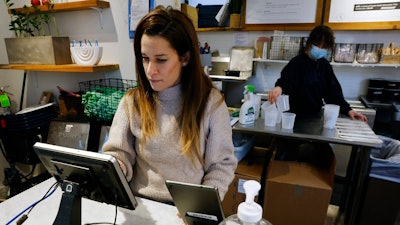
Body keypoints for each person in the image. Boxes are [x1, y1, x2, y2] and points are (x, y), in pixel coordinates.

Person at [102, 5, 238, 205]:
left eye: (161, 60)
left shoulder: (211, 105)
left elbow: (221, 166)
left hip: (185, 208)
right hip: (138, 206)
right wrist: (117, 165)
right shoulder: (132, 103)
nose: (150, 70)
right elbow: (118, 152)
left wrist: (200, 206)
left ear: (185, 58)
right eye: (145, 58)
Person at [267, 25, 368, 169]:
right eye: (317, 45)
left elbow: (333, 93)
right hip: (293, 118)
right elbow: (285, 82)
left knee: (322, 157)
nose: (320, 49)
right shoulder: (297, 63)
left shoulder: (325, 66)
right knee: (286, 157)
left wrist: (348, 110)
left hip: (315, 118)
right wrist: (278, 88)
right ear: (309, 44)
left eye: (324, 46)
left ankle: (313, 187)